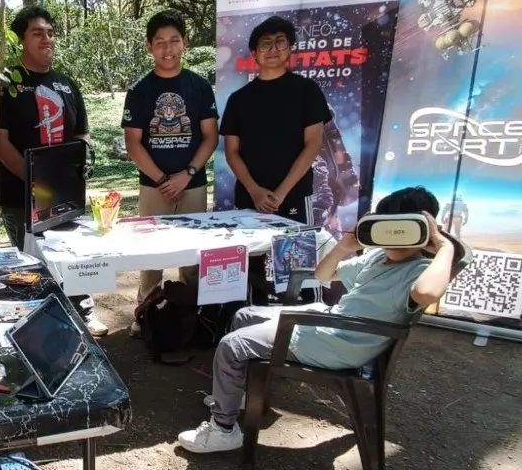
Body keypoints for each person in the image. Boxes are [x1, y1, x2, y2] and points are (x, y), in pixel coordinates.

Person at [177, 187, 455, 454]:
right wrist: (345, 246)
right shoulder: (378, 259)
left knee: (232, 345)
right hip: (331, 326)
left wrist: (444, 247)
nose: (393, 240)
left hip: (336, 342)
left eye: (403, 231)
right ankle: (237, 398)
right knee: (244, 315)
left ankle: (224, 430)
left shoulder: (420, 270)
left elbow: (427, 293)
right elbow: (324, 275)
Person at [0, 5, 108, 336]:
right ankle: (40, 328)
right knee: (32, 264)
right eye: (37, 33)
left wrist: (78, 167)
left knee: (72, 255)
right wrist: (36, 181)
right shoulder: (3, 82)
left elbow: (81, 134)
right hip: (20, 193)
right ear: (21, 40)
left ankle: (83, 312)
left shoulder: (66, 84)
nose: (47, 39)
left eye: (50, 33)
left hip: (65, 193)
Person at [122, 10, 219, 336]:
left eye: (174, 40)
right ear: (150, 46)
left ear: (185, 42)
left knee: (193, 257)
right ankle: (144, 315)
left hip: (192, 184)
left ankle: (191, 317)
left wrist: (187, 174)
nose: (168, 49)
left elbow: (210, 136)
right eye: (160, 42)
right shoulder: (139, 90)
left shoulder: (200, 86)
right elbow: (134, 144)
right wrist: (164, 180)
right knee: (151, 257)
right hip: (153, 186)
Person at [220, 16, 331, 224]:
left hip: (295, 195)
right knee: (250, 256)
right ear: (254, 53)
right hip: (249, 197)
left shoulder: (307, 91)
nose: (273, 49)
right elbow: (231, 151)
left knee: (295, 255)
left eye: (280, 42)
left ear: (289, 48)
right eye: (265, 44)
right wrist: (254, 191)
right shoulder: (238, 99)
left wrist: (281, 193)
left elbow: (313, 144)